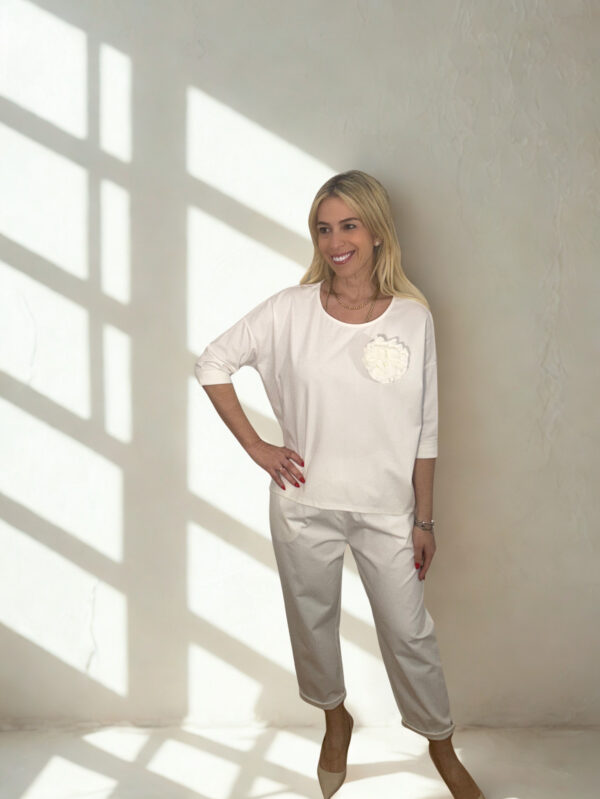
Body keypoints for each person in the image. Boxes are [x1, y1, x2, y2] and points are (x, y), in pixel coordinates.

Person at [194, 170, 486, 799]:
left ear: (377, 232)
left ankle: (441, 745)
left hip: (387, 510)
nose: (335, 242)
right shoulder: (288, 310)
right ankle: (335, 719)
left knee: (409, 633)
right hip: (304, 505)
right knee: (312, 622)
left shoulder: (413, 319)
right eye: (323, 229)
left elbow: (425, 430)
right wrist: (257, 446)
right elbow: (212, 362)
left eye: (349, 226)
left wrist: (425, 519)